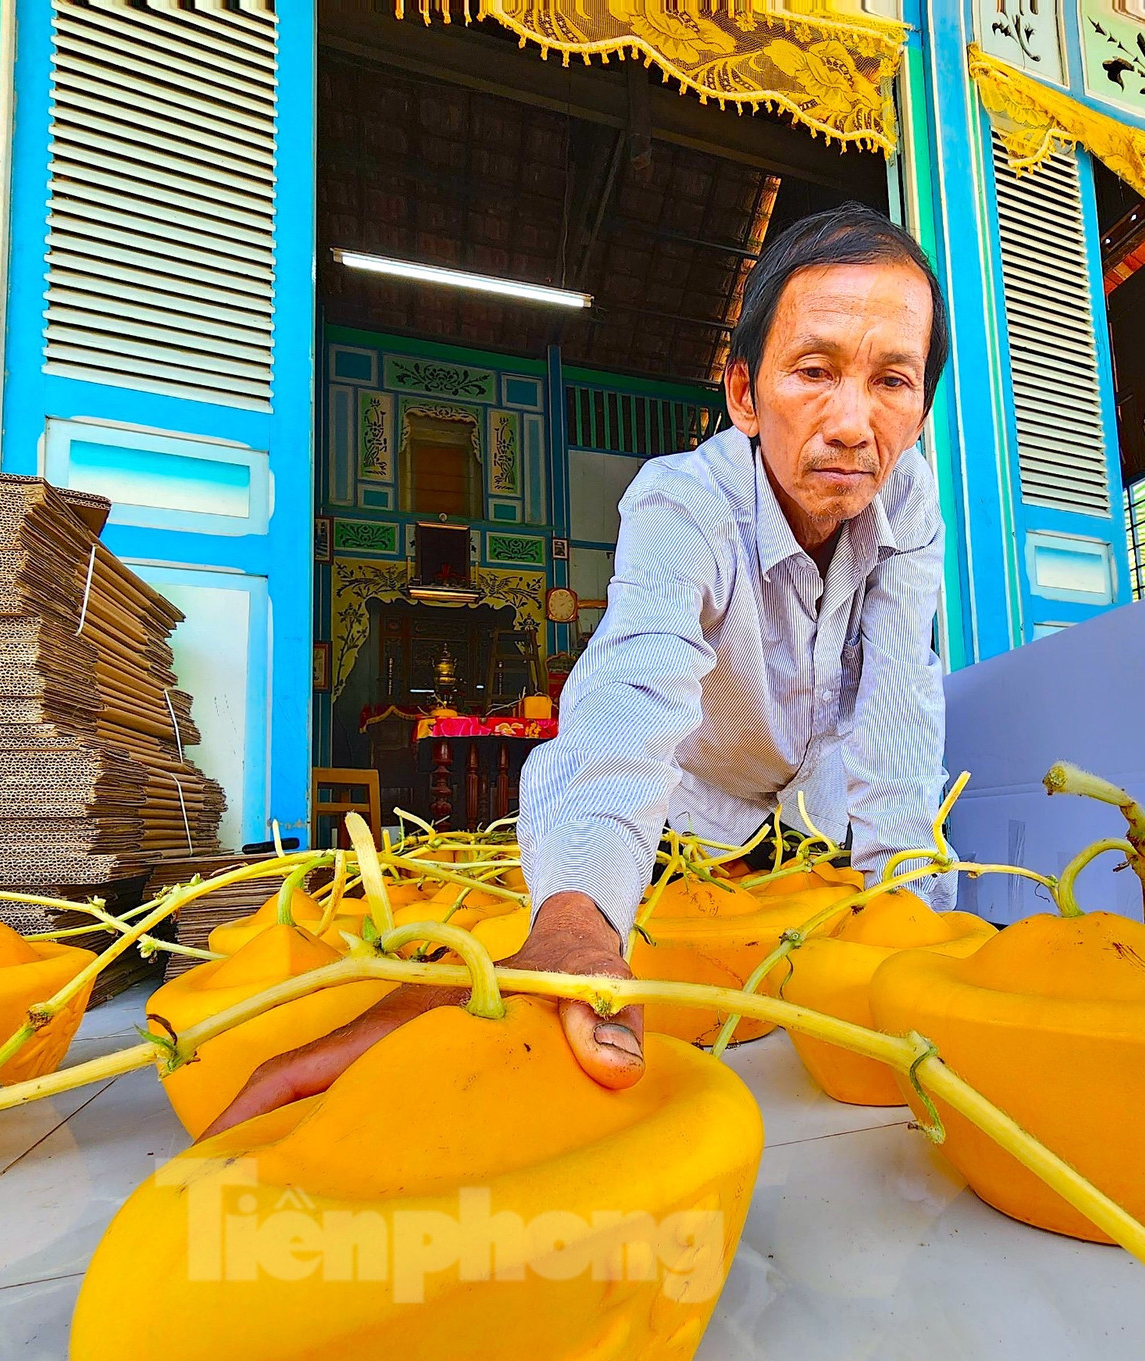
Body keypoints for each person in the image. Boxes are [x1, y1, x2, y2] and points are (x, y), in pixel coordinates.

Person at [203, 203, 954, 1136]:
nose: (852, 423)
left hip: (812, 818)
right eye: (814, 371)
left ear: (922, 409)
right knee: (610, 969)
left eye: (892, 381)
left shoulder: (909, 500)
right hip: (682, 818)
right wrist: (580, 916)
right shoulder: (684, 505)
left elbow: (897, 705)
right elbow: (630, 699)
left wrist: (912, 921)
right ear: (744, 395)